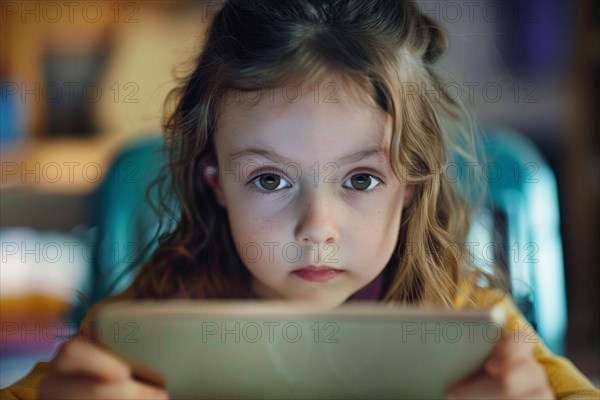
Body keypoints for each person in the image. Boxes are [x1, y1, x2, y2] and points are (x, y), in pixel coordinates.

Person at [2, 1, 598, 399]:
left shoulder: (463, 316)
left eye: (362, 179)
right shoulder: (152, 318)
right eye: (270, 180)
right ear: (219, 187)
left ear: (411, 186)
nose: (318, 228)